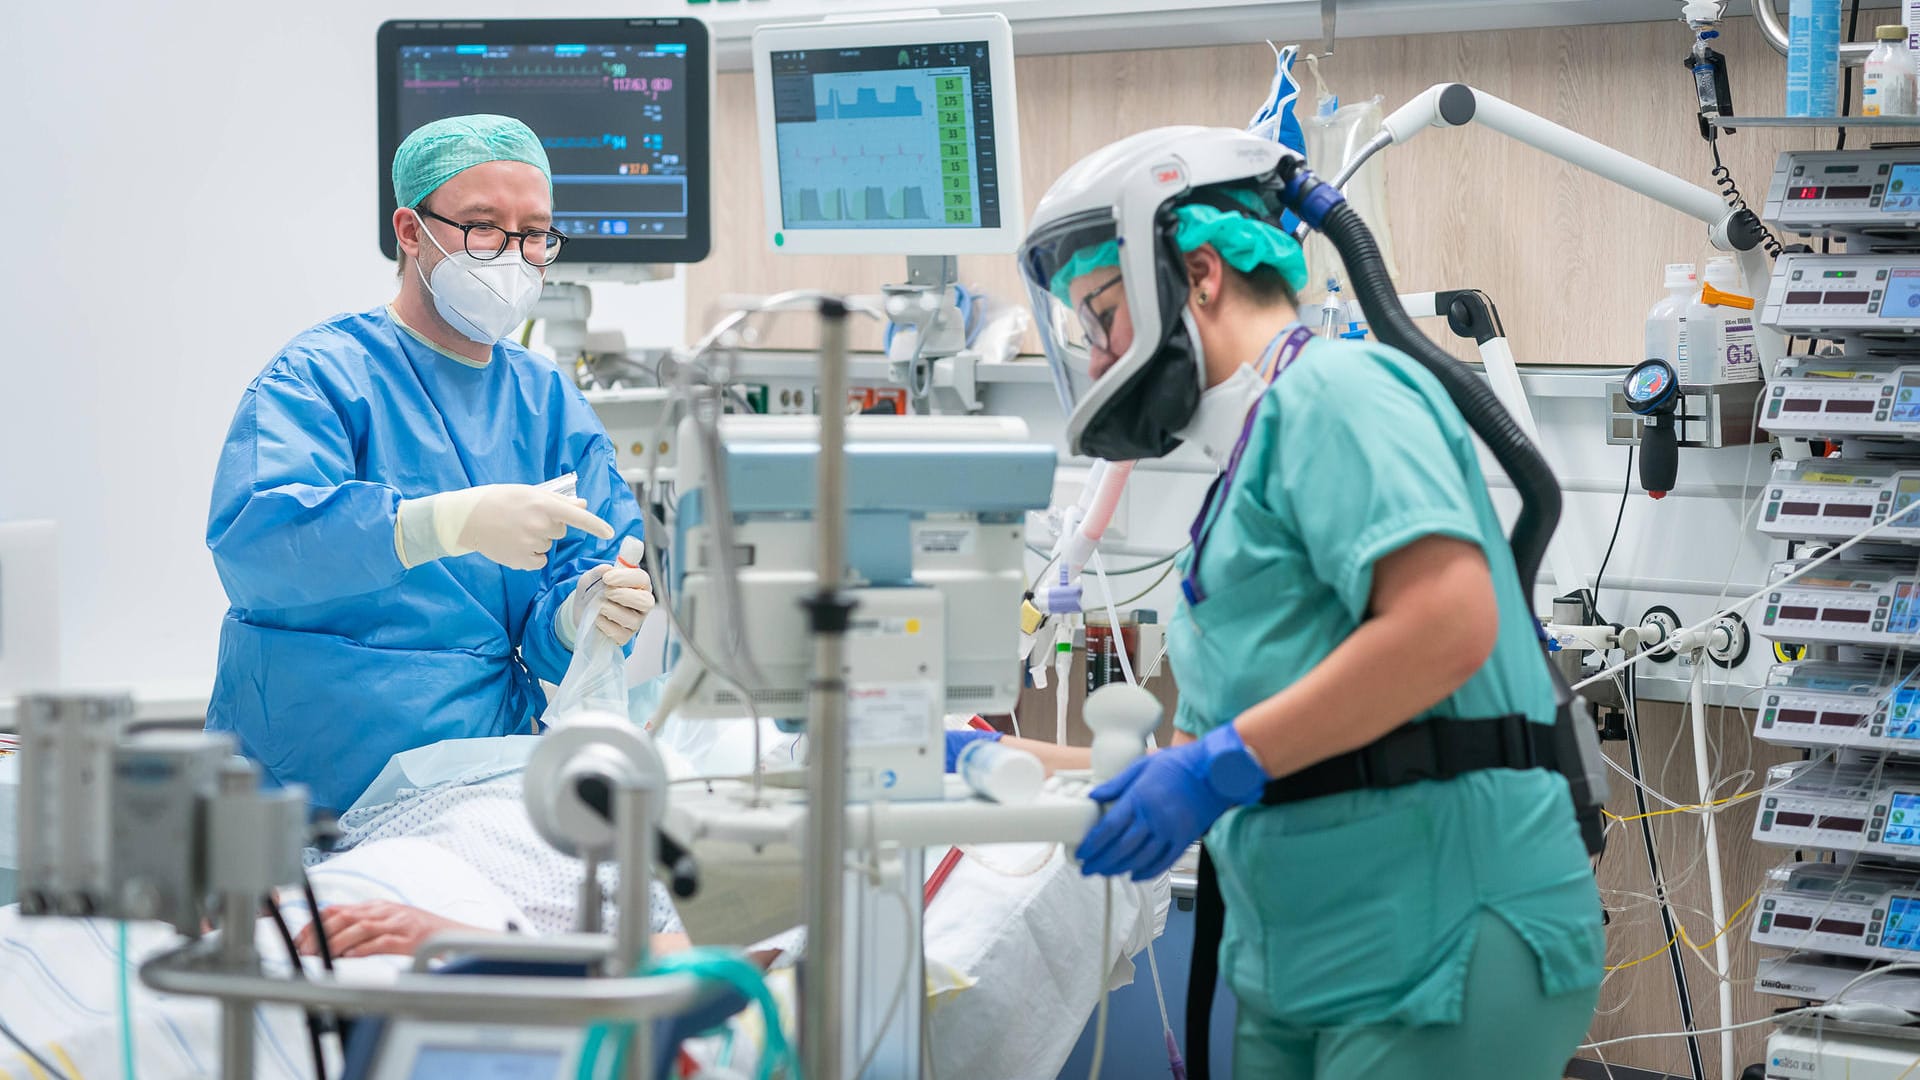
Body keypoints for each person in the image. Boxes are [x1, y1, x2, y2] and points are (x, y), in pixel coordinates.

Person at [1019, 127, 1602, 1079]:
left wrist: (1215, 769)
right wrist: (997, 760)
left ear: (1199, 273)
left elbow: (1447, 624)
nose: (1095, 361)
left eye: (1103, 317)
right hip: (1322, 959)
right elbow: (1255, 742)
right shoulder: (1255, 455)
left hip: (1440, 943)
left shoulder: (1338, 395)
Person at [207, 114, 656, 814]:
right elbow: (259, 547)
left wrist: (581, 617)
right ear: (411, 231)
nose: (513, 255)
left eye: (534, 234)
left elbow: (573, 602)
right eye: (482, 226)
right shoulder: (321, 377)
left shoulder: (545, 403)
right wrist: (441, 524)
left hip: (481, 780)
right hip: (311, 790)